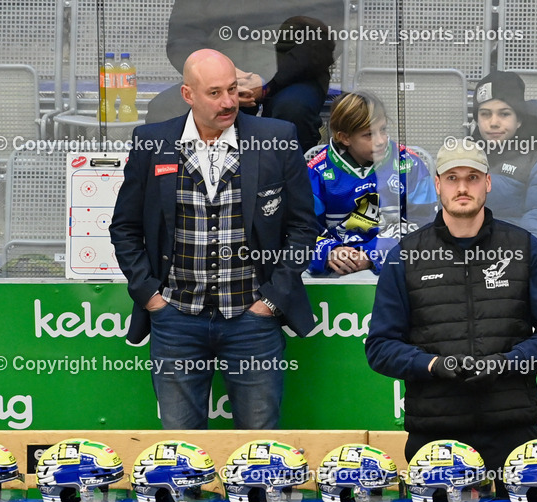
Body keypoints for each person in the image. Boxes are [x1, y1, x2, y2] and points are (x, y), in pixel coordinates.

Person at [110, 49, 321, 429]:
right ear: (188, 94)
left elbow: (304, 226)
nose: (228, 103)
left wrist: (272, 299)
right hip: (175, 319)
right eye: (214, 93)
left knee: (260, 446)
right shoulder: (151, 141)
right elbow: (125, 227)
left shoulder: (276, 138)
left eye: (232, 90)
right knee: (180, 448)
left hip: (253, 320)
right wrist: (150, 296)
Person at [365, 139, 537, 487]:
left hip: (513, 434)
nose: (462, 187)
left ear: (488, 183)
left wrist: (508, 362)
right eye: (452, 178)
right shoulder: (406, 256)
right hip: (435, 438)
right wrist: (434, 366)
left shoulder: (524, 248)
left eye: (473, 177)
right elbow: (380, 347)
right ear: (437, 184)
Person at [146, 0, 341, 151]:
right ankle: (173, 191)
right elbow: (182, 37)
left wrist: (266, 80)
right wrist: (216, 76)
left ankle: (291, 193)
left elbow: (324, 38)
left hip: (293, 72)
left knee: (292, 111)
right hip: (220, 68)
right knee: (164, 109)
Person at [306, 91, 437, 277]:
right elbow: (300, 230)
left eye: (383, 130)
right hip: (335, 272)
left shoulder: (409, 164)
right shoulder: (316, 171)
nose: (382, 140)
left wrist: (371, 254)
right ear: (344, 137)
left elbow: (426, 225)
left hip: (395, 265)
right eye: (369, 134)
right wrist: (328, 252)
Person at [470, 71, 537, 259]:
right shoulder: (468, 155)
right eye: (485, 114)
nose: (493, 122)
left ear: (519, 120)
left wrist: (483, 255)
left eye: (504, 114)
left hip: (528, 269)